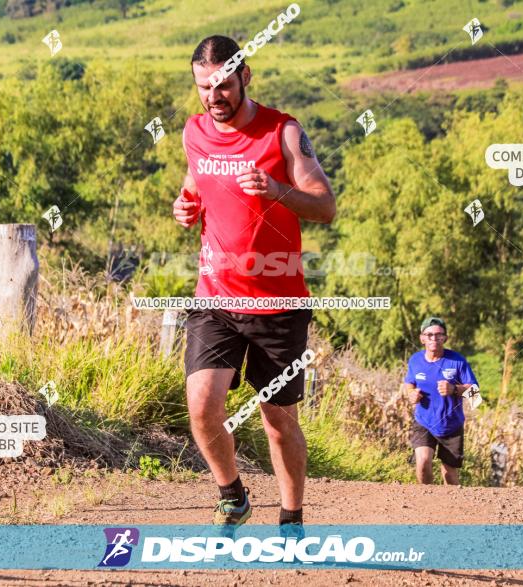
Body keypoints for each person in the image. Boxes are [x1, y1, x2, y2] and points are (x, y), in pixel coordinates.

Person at [173, 35, 335, 532]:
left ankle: (291, 518)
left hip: (279, 302)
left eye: (222, 85)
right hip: (216, 297)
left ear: (246, 76)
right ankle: (233, 495)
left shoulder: (282, 132)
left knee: (278, 419)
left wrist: (278, 190)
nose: (213, 97)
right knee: (201, 406)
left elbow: (325, 205)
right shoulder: (195, 132)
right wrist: (186, 206)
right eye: (204, 87)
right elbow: (196, 184)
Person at [402, 317, 478, 485]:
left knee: (449, 475)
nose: (434, 339)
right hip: (424, 421)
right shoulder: (415, 360)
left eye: (438, 335)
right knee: (422, 463)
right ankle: (427, 504)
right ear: (422, 338)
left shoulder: (457, 361)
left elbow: (475, 396)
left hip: (451, 424)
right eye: (429, 335)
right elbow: (409, 382)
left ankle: (451, 508)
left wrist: (454, 389)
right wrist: (411, 394)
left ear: (445, 338)